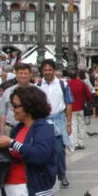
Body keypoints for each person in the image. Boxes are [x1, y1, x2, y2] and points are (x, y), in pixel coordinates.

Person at [37, 60, 73, 188]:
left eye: (49, 70)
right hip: (43, 120)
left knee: (59, 150)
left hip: (58, 120)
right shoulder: (38, 85)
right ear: (42, 71)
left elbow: (69, 104)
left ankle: (62, 174)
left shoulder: (63, 84)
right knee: (43, 149)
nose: (47, 72)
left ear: (54, 70)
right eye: (45, 70)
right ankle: (44, 174)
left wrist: (69, 123)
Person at [0, 63, 35, 136]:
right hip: (10, 129)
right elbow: (2, 114)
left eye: (25, 73)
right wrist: (2, 133)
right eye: (20, 73)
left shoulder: (37, 91)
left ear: (30, 74)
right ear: (16, 74)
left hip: (31, 129)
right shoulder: (8, 92)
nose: (23, 76)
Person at [66, 69, 92, 151]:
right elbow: (88, 94)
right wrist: (89, 100)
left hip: (71, 108)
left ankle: (75, 143)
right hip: (81, 107)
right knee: (81, 125)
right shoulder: (82, 83)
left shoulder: (67, 84)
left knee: (73, 125)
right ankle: (81, 142)